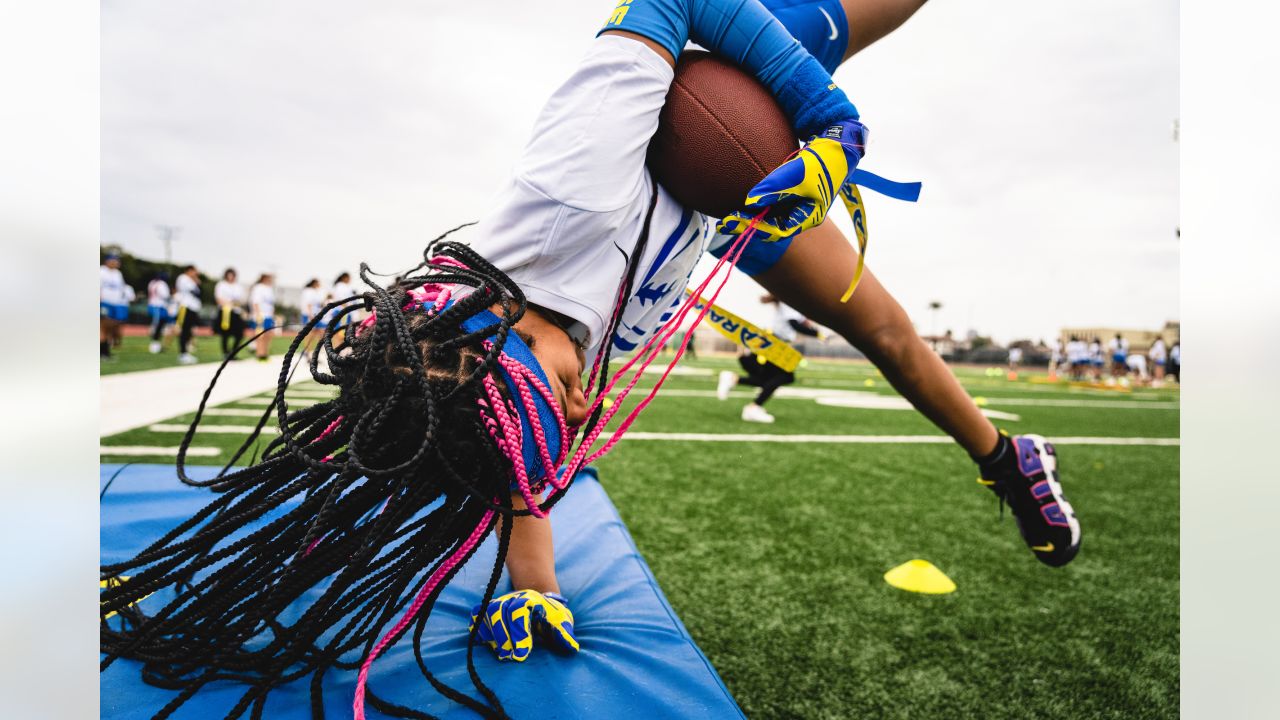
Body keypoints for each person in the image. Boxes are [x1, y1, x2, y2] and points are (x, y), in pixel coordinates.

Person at [102, 1, 1079, 716]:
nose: (572, 412)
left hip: (731, 92)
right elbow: (508, 438)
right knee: (881, 330)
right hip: (728, 197)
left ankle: (1001, 459)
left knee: (889, 331)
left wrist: (830, 124)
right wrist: (536, 577)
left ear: (510, 332)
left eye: (551, 394)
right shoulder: (528, 348)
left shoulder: (568, 190)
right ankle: (1007, 455)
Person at [717, 295, 819, 422]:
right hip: (776, 343)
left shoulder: (789, 304)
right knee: (786, 376)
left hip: (775, 343)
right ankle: (753, 407)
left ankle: (735, 380)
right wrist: (817, 333)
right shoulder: (790, 303)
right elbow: (794, 325)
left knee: (767, 379)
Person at [99, 252, 129, 360]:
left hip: (115, 304)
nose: (116, 262)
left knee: (111, 327)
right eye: (113, 260)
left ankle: (105, 352)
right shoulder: (101, 271)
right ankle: (102, 352)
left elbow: (121, 289)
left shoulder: (118, 274)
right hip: (104, 303)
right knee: (103, 327)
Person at [214, 268, 247, 359]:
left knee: (239, 334)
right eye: (229, 275)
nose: (231, 277)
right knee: (225, 333)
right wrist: (230, 303)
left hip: (236, 312)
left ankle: (233, 352)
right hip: (225, 312)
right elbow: (219, 299)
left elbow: (242, 300)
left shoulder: (238, 286)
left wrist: (234, 303)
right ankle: (225, 353)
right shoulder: (221, 285)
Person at [173, 265, 202, 364]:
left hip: (192, 308)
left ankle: (186, 353)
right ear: (189, 271)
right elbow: (194, 291)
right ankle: (183, 354)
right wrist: (195, 280)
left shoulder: (190, 280)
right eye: (195, 271)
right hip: (185, 307)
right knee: (184, 330)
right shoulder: (183, 278)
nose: (196, 274)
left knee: (189, 330)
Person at [248, 273, 276, 362]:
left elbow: (271, 304)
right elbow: (255, 302)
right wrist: (258, 314)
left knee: (269, 335)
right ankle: (259, 354)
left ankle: (265, 353)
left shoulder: (270, 289)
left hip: (269, 315)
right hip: (260, 315)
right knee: (260, 335)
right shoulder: (258, 288)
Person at [146, 271, 172, 354]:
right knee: (158, 327)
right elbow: (165, 295)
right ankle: (154, 346)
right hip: (158, 306)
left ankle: (155, 344)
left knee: (157, 326)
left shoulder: (152, 283)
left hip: (152, 305)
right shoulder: (161, 284)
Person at [299, 277, 325, 358]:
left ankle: (313, 352)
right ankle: (307, 352)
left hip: (316, 315)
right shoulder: (309, 291)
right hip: (309, 315)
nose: (319, 285)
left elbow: (318, 304)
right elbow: (308, 303)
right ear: (314, 283)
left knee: (320, 333)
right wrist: (310, 314)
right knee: (310, 334)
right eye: (318, 283)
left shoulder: (315, 292)